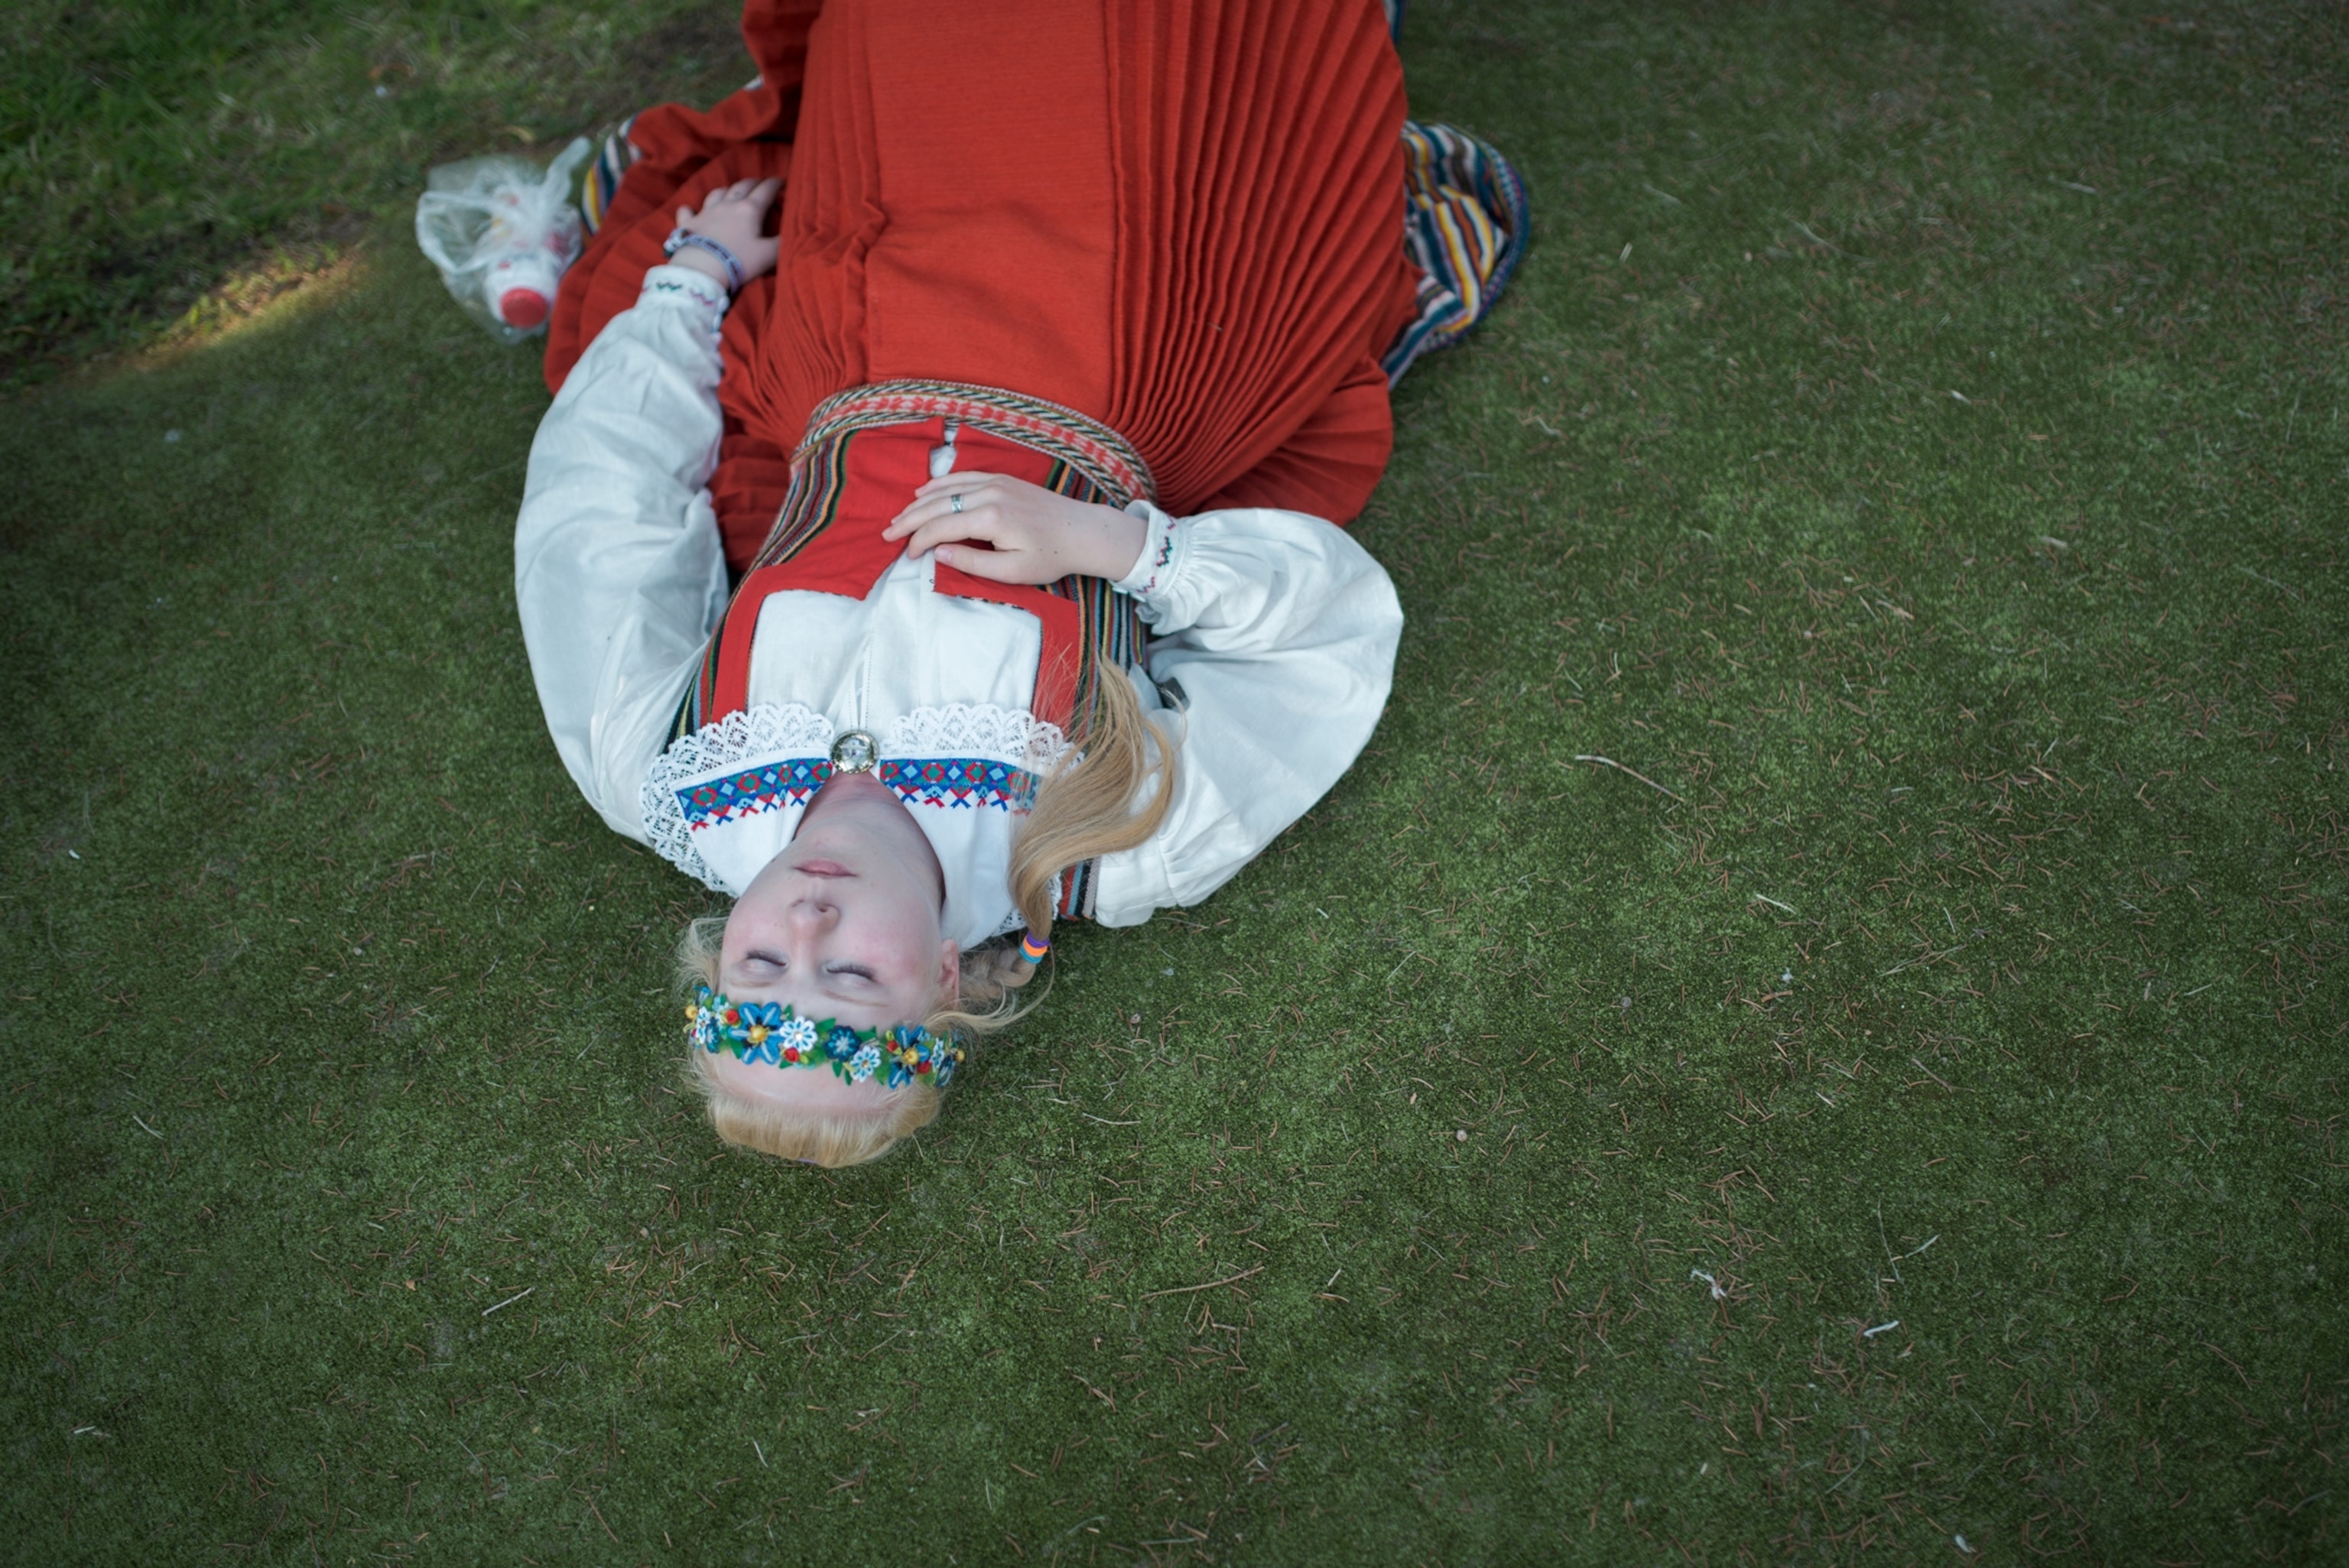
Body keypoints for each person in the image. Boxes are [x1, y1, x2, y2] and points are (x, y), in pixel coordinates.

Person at [513, 0, 1525, 1167]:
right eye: (849, 975)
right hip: (1126, 338)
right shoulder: (1104, 841)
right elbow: (1322, 640)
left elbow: (601, 518)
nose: (806, 921)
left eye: (760, 963)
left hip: (856, 323)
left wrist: (692, 282)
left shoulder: (661, 773)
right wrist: (1114, 547)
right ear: (944, 975)